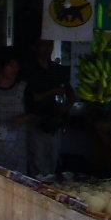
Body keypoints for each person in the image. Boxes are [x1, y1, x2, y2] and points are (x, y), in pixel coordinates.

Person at [21, 38, 71, 178]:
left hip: (54, 122)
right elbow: (30, 97)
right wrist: (52, 92)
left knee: (52, 161)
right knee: (37, 163)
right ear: (34, 47)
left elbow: (70, 93)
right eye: (43, 45)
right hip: (35, 121)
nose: (47, 48)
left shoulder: (57, 69)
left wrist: (66, 107)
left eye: (50, 44)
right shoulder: (28, 70)